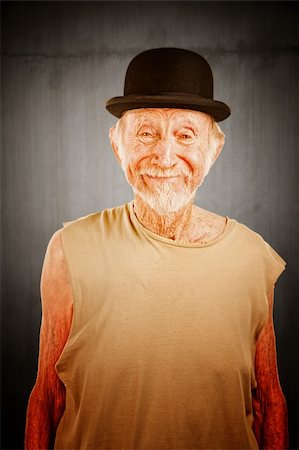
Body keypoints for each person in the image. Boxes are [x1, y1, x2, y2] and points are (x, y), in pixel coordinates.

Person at [25, 48, 288, 450]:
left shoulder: (253, 258)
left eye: (185, 135)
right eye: (146, 133)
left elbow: (269, 402)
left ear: (213, 151)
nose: (165, 157)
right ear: (117, 146)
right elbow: (46, 397)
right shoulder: (68, 251)